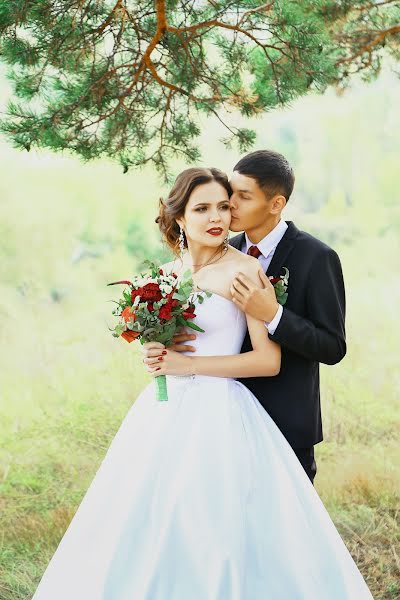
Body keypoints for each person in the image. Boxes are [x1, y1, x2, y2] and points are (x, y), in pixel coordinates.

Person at [32, 167, 372, 599]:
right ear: (179, 217)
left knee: (219, 528)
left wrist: (185, 366)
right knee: (151, 517)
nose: (218, 217)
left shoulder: (246, 270)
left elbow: (267, 361)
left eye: (225, 207)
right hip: (163, 413)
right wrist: (152, 352)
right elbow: (166, 348)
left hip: (223, 413)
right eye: (203, 208)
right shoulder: (165, 275)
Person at [171, 150, 346, 483]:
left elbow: (333, 346)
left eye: (243, 196)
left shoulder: (316, 257)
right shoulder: (222, 250)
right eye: (230, 193)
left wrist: (274, 315)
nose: (230, 204)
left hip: (285, 420)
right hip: (221, 416)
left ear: (275, 204)